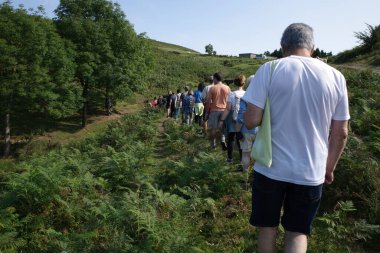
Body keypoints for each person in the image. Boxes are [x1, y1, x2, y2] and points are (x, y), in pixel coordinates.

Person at [243, 23, 349, 253]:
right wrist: (329, 168)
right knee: (298, 232)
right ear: (313, 47)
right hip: (311, 171)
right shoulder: (336, 77)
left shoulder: (269, 69)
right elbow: (341, 133)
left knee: (267, 227)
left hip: (270, 169)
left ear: (283, 47)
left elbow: (251, 120)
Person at [219, 75, 246, 164]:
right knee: (242, 140)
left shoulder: (232, 94)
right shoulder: (247, 94)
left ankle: (230, 159)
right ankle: (242, 160)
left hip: (233, 117)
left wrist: (222, 120)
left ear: (234, 83)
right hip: (244, 118)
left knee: (231, 138)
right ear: (243, 83)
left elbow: (228, 109)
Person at [236, 75, 258, 172]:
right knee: (258, 155)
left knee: (245, 154)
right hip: (260, 130)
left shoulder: (245, 97)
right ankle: (255, 175)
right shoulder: (264, 97)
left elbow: (241, 117)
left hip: (246, 130)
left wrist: (237, 131)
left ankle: (245, 175)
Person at [207, 72, 231, 149]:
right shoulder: (227, 88)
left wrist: (208, 111)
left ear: (215, 78)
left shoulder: (212, 88)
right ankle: (223, 139)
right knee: (223, 127)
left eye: (213, 78)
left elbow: (208, 101)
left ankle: (213, 145)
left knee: (213, 129)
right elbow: (230, 100)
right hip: (224, 110)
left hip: (214, 110)